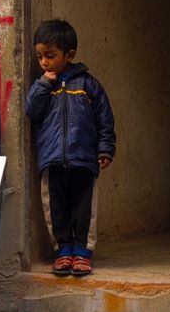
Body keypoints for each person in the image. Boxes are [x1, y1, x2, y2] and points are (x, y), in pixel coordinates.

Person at [24, 19, 116, 277]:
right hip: (52, 160)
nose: (44, 62)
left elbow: (105, 119)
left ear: (70, 55)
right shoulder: (43, 85)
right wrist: (43, 84)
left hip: (83, 159)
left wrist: (105, 149)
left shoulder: (89, 85)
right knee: (56, 207)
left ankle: (83, 252)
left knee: (84, 208)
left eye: (50, 56)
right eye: (40, 56)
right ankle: (63, 250)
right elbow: (32, 111)